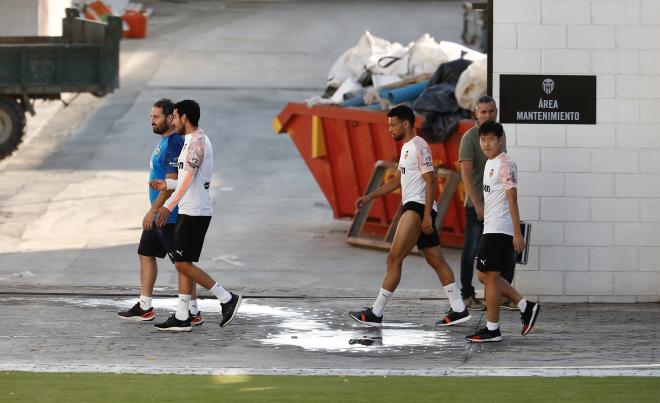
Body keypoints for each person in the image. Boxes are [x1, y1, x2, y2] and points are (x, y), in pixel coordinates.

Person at [349, 105, 470, 327]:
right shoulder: (406, 148)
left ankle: (376, 312)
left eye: (393, 125)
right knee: (436, 260)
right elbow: (396, 180)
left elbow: (431, 180)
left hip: (416, 208)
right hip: (415, 207)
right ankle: (459, 309)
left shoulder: (419, 146)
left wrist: (426, 216)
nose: (389, 129)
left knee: (394, 258)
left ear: (406, 124)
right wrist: (369, 197)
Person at [149, 100, 241, 332]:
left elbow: (188, 181)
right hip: (189, 210)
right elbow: (185, 179)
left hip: (195, 212)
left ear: (185, 118)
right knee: (183, 263)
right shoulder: (190, 141)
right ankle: (182, 315)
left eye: (176, 116)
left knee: (182, 263)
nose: (173, 121)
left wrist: (168, 205)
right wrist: (166, 183)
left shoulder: (196, 143)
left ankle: (226, 298)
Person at [117, 98, 203, 326]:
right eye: (151, 117)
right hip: (158, 215)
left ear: (170, 118)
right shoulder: (164, 143)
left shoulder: (174, 144)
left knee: (182, 264)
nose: (152, 122)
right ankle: (145, 305)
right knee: (146, 253)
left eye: (156, 117)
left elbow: (171, 182)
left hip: (169, 216)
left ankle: (192, 310)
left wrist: (154, 211)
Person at [465, 121, 540, 343]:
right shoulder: (490, 163)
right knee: (483, 275)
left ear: (501, 140)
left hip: (501, 229)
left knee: (490, 278)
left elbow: (512, 199)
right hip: (491, 227)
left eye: (491, 139)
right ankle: (526, 306)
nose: (486, 144)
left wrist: (517, 233)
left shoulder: (506, 164)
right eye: (483, 139)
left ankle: (493, 329)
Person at [458, 96, 517, 311]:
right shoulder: (469, 138)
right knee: (472, 248)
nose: (487, 115)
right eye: (483, 112)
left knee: (507, 249)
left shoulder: (499, 135)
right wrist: (478, 205)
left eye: (491, 111)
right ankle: (466, 295)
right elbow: (465, 174)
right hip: (478, 206)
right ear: (475, 113)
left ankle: (503, 294)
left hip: (498, 207)